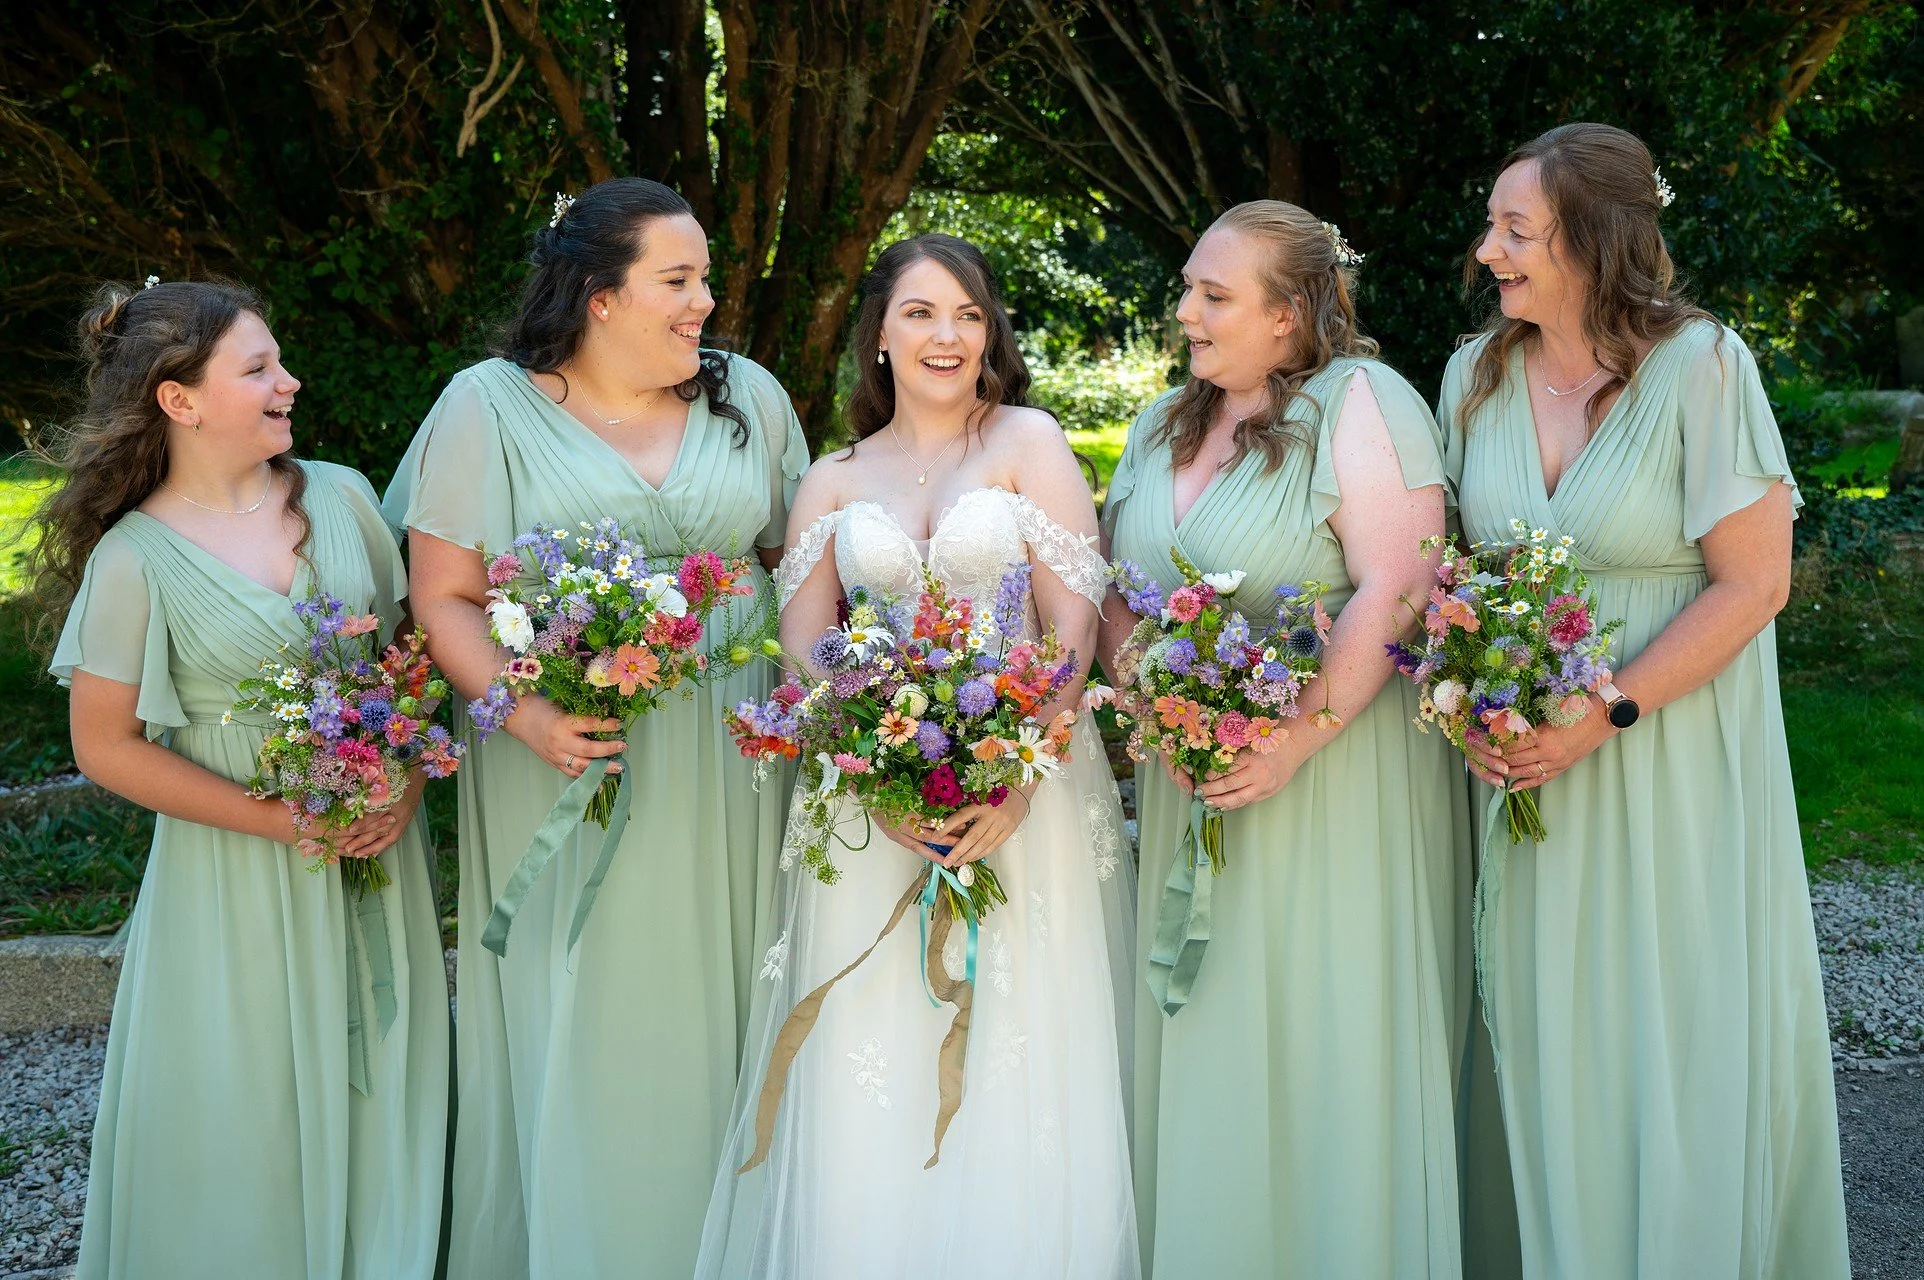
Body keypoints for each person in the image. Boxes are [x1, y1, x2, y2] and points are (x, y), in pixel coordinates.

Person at [1440, 121, 1849, 1278]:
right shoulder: (1475, 378)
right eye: (1493, 225)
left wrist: (1603, 711)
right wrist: (1474, 691)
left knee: (1667, 1022)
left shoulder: (1704, 365)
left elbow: (1753, 582)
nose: (1488, 251)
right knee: (1540, 1023)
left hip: (1666, 751)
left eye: (1516, 230)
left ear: (1596, 236)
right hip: (1525, 758)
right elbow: (1459, 573)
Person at [383, 178, 808, 1278]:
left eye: (704, 278)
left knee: (745, 980)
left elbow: (797, 566)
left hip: (736, 747)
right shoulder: (488, 406)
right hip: (568, 747)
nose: (703, 301)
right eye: (677, 279)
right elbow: (444, 594)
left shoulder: (749, 397)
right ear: (597, 295)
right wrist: (525, 714)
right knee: (601, 1005)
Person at [696, 233, 1139, 1279]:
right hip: (869, 805)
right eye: (921, 313)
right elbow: (804, 642)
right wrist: (866, 762)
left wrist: (1020, 775)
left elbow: (1073, 629)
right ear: (879, 335)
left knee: (1022, 1051)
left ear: (991, 336)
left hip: (1023, 793)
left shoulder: (1028, 441)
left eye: (968, 315)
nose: (946, 334)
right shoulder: (834, 475)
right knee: (870, 1052)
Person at [35, 279, 448, 1278]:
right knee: (243, 1100)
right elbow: (106, 743)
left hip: (377, 857)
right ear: (180, 400)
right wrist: (286, 822)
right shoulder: (137, 557)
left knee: (383, 1084)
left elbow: (416, 652)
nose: (288, 381)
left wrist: (406, 781)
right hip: (233, 873)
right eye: (258, 367)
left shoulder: (344, 496)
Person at [1099, 201, 1470, 1278]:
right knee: (1205, 1024)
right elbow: (1115, 589)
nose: (1185, 314)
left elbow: (1399, 583)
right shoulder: (1164, 418)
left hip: (1330, 782)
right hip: (1191, 774)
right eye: (1188, 290)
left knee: (1322, 1039)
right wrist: (1160, 705)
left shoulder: (1364, 400)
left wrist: (1292, 739)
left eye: (1213, 296)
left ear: (1289, 312)